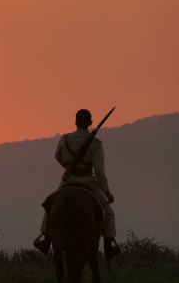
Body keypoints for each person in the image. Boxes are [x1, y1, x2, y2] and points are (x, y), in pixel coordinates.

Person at [34, 109, 121, 260]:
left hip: (68, 181)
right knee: (108, 213)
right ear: (90, 123)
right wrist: (107, 193)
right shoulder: (95, 143)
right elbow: (99, 172)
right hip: (88, 181)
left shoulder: (64, 139)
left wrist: (69, 167)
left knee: (50, 205)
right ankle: (109, 244)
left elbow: (58, 156)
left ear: (75, 122)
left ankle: (46, 238)